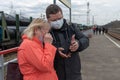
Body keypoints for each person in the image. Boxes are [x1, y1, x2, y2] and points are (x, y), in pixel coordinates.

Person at [46, 4, 89, 80]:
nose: (57, 22)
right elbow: (39, 50)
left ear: (62, 15)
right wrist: (55, 51)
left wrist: (78, 44)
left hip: (74, 73)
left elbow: (85, 39)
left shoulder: (71, 27)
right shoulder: (45, 31)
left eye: (59, 18)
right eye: (54, 20)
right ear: (48, 20)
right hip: (56, 74)